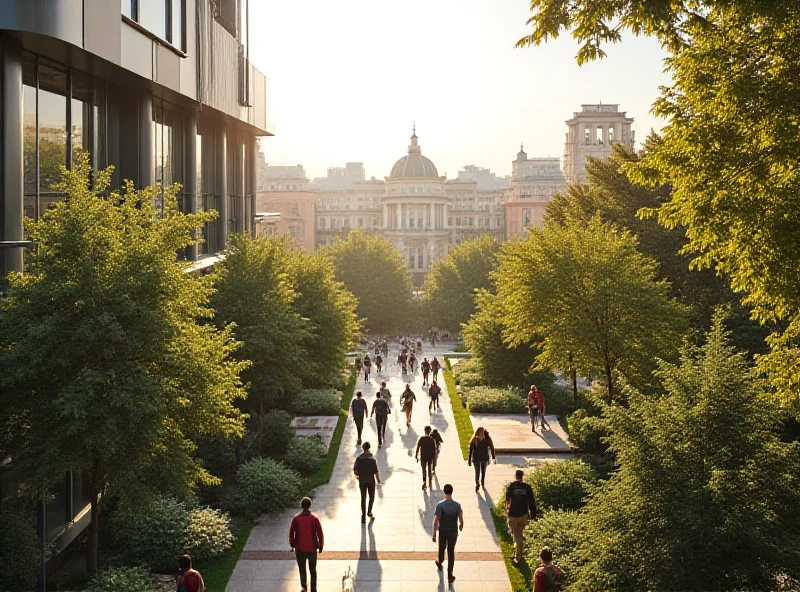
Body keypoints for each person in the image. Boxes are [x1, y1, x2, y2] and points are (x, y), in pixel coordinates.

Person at [289, 497, 324, 592]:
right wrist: (321, 545)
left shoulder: (296, 519)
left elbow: (291, 532)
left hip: (300, 549)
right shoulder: (314, 518)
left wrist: (292, 544)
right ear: (310, 505)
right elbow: (320, 533)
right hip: (312, 549)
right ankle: (313, 588)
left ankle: (304, 587)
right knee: (313, 570)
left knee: (302, 569)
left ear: (301, 506)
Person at [432, 483, 463, 585]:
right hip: (453, 531)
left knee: (441, 548)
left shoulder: (440, 505)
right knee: (451, 552)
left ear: (444, 492)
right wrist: (461, 525)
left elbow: (436, 520)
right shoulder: (457, 505)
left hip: (443, 531)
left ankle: (440, 561)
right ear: (451, 492)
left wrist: (434, 534)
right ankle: (450, 574)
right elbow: (461, 519)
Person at [505, 469, 537, 564]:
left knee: (516, 535)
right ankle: (518, 550)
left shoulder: (511, 486)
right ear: (523, 476)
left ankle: (518, 557)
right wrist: (533, 516)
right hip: (523, 515)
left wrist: (507, 510)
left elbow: (507, 500)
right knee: (519, 534)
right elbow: (532, 502)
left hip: (513, 515)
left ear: (515, 476)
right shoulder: (527, 488)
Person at [353, 442, 381, 522]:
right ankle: (369, 511)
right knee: (371, 497)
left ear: (363, 448)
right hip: (371, 481)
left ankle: (363, 516)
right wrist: (379, 481)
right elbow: (376, 472)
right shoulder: (372, 460)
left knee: (363, 498)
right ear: (369, 448)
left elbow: (355, 470)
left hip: (362, 481)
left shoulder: (359, 459)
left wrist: (358, 475)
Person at [467, 427, 496, 491]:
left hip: (482, 458)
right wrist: (469, 460)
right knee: (479, 472)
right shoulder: (475, 439)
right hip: (480, 458)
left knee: (481, 471)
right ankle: (478, 484)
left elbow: (492, 448)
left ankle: (481, 483)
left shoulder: (486, 439)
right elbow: (471, 450)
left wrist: (493, 457)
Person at [415, 426, 437, 490]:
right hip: (430, 457)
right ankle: (430, 481)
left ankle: (424, 483)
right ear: (430, 431)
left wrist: (416, 455)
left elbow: (418, 447)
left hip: (423, 457)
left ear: (425, 431)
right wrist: (434, 457)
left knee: (424, 470)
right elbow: (434, 449)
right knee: (429, 468)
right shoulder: (432, 440)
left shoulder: (422, 439)